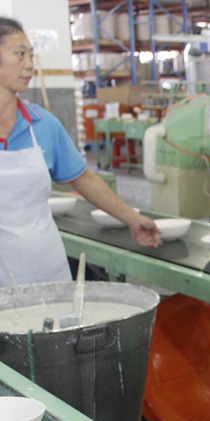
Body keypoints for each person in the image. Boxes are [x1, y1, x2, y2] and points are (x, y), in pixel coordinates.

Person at [0, 17, 160, 287]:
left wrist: (132, 219)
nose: (29, 64)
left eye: (31, 55)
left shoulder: (42, 124)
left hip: (46, 270)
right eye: (20, 54)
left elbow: (84, 178)